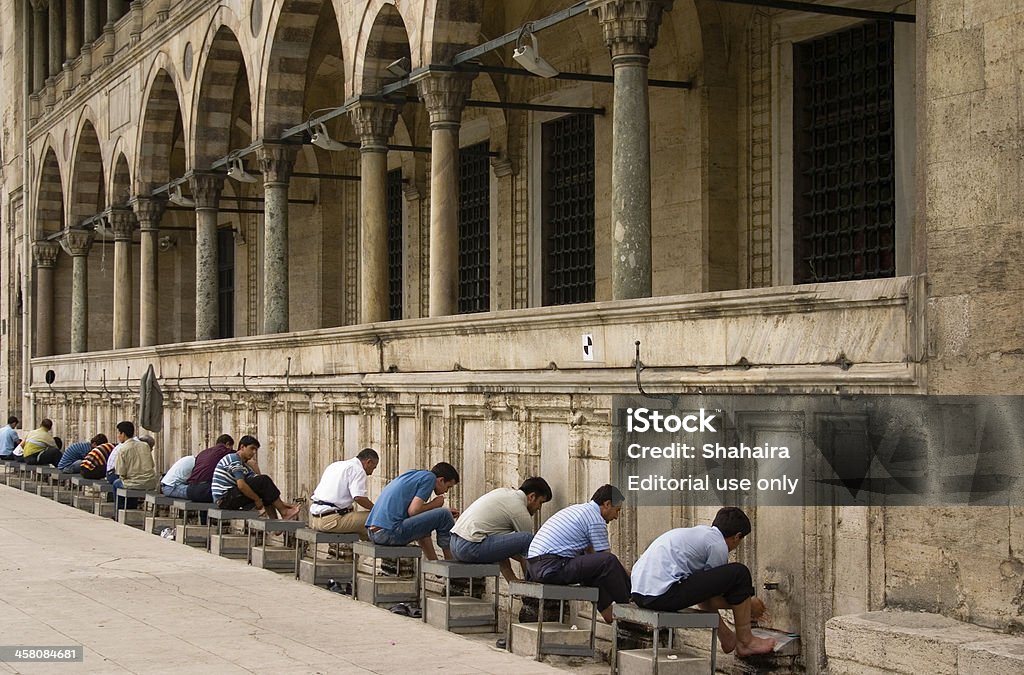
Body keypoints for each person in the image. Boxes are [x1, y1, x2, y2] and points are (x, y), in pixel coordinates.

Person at [630, 507, 776, 656]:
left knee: (707, 590)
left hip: (640, 594)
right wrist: (747, 602)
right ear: (737, 536)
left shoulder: (701, 534)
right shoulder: (718, 545)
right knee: (740, 573)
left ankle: (726, 637)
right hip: (662, 594)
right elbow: (714, 598)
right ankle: (746, 642)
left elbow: (704, 594)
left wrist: (743, 603)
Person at [526, 484, 631, 623]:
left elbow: (592, 557)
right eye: (617, 510)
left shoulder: (580, 510)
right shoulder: (595, 520)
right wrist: (632, 580)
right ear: (607, 504)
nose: (616, 517)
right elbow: (606, 558)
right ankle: (630, 607)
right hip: (551, 566)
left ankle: (608, 614)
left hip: (535, 567)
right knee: (609, 561)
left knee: (593, 568)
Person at [450, 477, 552, 581]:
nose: (539, 508)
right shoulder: (520, 510)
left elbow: (502, 548)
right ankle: (531, 587)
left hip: (454, 544)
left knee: (501, 542)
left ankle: (512, 581)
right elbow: (530, 551)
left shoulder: (503, 493)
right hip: (469, 547)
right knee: (527, 540)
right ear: (532, 496)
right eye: (540, 503)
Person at [365, 462, 460, 561]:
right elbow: (414, 511)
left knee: (425, 523)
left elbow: (415, 515)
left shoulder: (414, 475)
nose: (446, 491)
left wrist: (433, 510)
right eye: (448, 487)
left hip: (373, 533)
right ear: (441, 480)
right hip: (388, 533)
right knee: (444, 514)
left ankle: (435, 563)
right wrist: (435, 505)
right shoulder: (430, 478)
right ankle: (451, 562)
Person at [210, 435, 299, 520]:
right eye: (251, 448)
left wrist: (282, 503)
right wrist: (257, 500)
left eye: (255, 450)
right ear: (242, 447)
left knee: (264, 488)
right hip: (224, 499)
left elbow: (257, 481)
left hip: (230, 496)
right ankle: (284, 512)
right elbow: (241, 485)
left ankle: (276, 523)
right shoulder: (233, 459)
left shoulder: (244, 465)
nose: (254, 452)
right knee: (264, 480)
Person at [309, 448, 379, 539]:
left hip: (316, 520)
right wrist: (377, 510)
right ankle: (386, 550)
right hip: (331, 521)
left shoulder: (335, 465)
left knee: (363, 525)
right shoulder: (358, 470)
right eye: (373, 468)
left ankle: (351, 550)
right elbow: (358, 497)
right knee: (377, 519)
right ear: (368, 462)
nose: (371, 473)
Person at [186, 434, 234, 502]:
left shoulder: (203, 452)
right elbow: (239, 455)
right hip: (204, 489)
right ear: (228, 444)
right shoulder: (225, 451)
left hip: (190, 490)